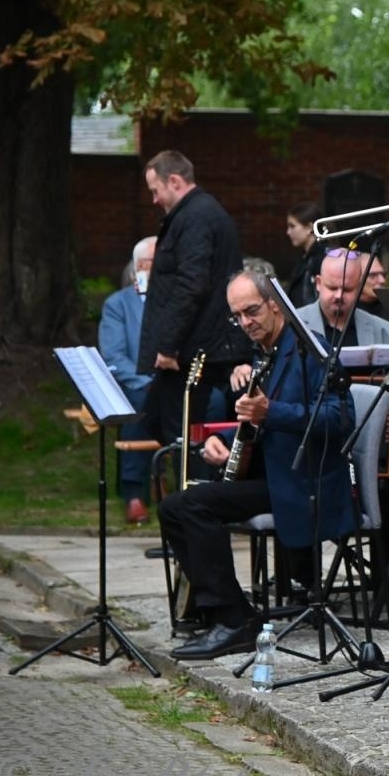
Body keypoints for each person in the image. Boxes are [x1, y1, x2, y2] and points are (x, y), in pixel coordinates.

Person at [160, 269, 356, 659]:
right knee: (173, 506)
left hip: (305, 481)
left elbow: (341, 418)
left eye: (252, 311)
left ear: (275, 305)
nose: (246, 322)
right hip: (272, 475)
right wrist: (224, 440)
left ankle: (233, 620)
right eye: (237, 316)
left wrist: (271, 412)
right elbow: (258, 420)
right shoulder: (266, 352)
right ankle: (221, 611)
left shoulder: (310, 349)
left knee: (192, 506)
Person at [138, 150, 245, 448]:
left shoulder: (195, 217)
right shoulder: (196, 214)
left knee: (181, 434)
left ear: (174, 181)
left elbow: (191, 285)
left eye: (155, 191)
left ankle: (198, 476)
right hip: (194, 343)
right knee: (155, 417)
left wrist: (168, 346)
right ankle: (198, 470)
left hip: (192, 348)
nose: (154, 200)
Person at [99, 236, 158, 524]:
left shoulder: (179, 301)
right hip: (136, 383)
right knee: (141, 401)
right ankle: (134, 493)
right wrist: (147, 380)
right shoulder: (118, 304)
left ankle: (203, 484)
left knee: (214, 400)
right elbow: (114, 356)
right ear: (141, 266)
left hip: (175, 381)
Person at [295, 249, 389, 351]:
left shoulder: (384, 331)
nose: (339, 295)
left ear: (359, 288)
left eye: (347, 289)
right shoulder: (294, 324)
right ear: (318, 283)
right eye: (332, 288)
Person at [285, 201, 324, 308]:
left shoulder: (319, 259)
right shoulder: (306, 257)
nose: (288, 232)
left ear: (309, 228)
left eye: (292, 226)